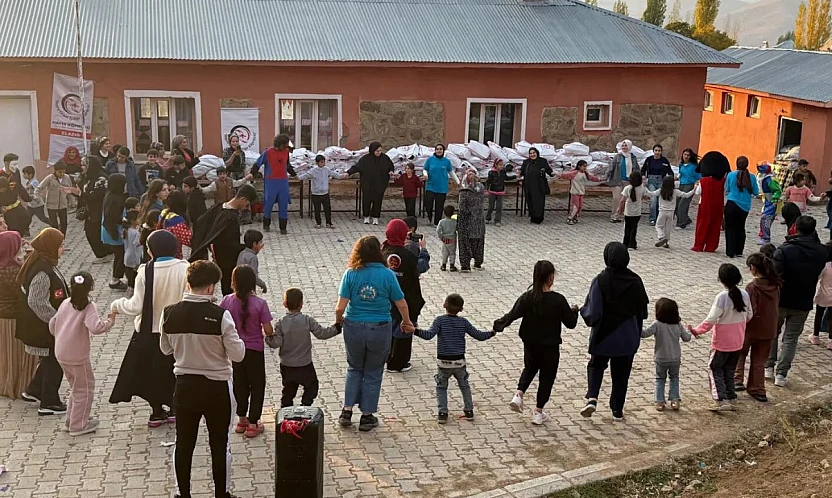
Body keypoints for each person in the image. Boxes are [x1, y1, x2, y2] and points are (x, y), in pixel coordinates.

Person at [160, 260, 244, 498]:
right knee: (220, 444)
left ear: (188, 284)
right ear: (210, 288)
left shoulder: (169, 313)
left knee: (184, 444)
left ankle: (182, 493)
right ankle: (222, 493)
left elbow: (165, 349)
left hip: (185, 386)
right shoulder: (221, 316)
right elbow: (237, 355)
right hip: (217, 388)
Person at [109, 230, 188, 426]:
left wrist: (117, 305)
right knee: (175, 372)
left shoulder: (146, 270)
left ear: (151, 250)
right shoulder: (185, 268)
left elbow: (136, 306)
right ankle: (175, 408)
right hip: (177, 331)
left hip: (151, 332)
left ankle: (156, 412)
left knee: (153, 374)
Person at [335, 236, 412, 432]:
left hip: (354, 325)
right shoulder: (388, 274)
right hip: (379, 327)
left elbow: (339, 307)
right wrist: (406, 320)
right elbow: (401, 302)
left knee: (354, 368)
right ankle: (367, 416)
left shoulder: (350, 273)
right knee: (373, 371)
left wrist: (339, 321)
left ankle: (346, 411)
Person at [494, 261, 579, 425]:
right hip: (550, 345)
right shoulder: (558, 300)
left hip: (530, 342)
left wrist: (499, 325)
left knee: (530, 367)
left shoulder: (528, 297)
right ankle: (538, 412)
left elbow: (512, 314)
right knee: (547, 377)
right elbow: (571, 323)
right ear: (550, 277)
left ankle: (519, 394)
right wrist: (574, 311)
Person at [579, 242, 649, 421]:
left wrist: (582, 311)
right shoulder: (636, 281)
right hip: (627, 338)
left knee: (596, 365)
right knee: (621, 373)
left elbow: (593, 312)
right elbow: (643, 311)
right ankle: (617, 408)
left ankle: (592, 397)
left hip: (604, 335)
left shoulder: (600, 280)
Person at [767, 216, 832, 387]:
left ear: (795, 228)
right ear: (814, 230)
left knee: (773, 334)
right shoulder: (821, 252)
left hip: (781, 300)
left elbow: (774, 275)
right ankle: (781, 374)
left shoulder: (784, 250)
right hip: (803, 301)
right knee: (791, 339)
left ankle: (768, 366)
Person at [50, 271, 117, 435]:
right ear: (91, 287)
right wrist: (110, 321)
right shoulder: (88, 306)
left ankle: (70, 420)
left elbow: (52, 324)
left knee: (75, 387)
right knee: (85, 389)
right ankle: (79, 424)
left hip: (61, 352)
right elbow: (96, 327)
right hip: (77, 355)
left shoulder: (65, 303)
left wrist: (60, 336)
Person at [415, 293, 495, 424]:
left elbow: (428, 335)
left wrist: (414, 330)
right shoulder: (463, 322)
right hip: (459, 362)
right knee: (464, 386)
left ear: (444, 305)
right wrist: (492, 333)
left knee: (441, 387)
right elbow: (479, 335)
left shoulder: (439, 321)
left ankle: (442, 413)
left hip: (443, 363)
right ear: (461, 309)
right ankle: (469, 410)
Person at [16, 228, 68, 415]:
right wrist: (55, 321)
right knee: (56, 361)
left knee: (49, 360)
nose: (63, 248)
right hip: (44, 328)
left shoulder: (45, 263)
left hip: (46, 326)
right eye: (60, 246)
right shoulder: (41, 270)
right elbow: (36, 301)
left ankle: (34, 390)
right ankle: (49, 402)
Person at [220, 265, 275, 438]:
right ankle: (253, 423)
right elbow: (268, 330)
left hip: (235, 350)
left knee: (240, 384)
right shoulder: (260, 303)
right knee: (257, 386)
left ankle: (242, 419)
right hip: (255, 350)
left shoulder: (227, 301)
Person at [689, 264, 753, 411]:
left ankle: (720, 399)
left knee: (714, 367)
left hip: (721, 343)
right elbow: (749, 315)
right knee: (729, 369)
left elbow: (711, 320)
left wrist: (696, 330)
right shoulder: (744, 294)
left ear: (721, 279)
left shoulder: (722, 297)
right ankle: (731, 397)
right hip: (738, 341)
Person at [268, 287, 340, 408]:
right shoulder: (307, 320)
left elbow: (276, 343)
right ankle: (305, 405)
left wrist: (267, 337)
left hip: (287, 365)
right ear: (301, 304)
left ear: (284, 304)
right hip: (305, 364)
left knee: (288, 390)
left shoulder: (280, 323)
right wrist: (337, 327)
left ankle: (286, 411)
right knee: (312, 386)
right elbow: (322, 334)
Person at [190, 184, 257, 295]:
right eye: (247, 204)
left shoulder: (219, 207)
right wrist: (249, 248)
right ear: (243, 199)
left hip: (217, 254)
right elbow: (231, 245)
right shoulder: (231, 218)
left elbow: (201, 222)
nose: (247, 207)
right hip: (226, 259)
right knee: (229, 288)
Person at [382, 219, 430, 373]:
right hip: (406, 297)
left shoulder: (383, 251)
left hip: (386, 299)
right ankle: (398, 362)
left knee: (389, 327)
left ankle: (388, 357)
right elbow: (422, 266)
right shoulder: (407, 254)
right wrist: (423, 250)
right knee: (404, 327)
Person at [736, 253, 781, 403]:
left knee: (740, 353)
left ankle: (737, 380)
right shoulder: (776, 285)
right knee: (759, 361)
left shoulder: (752, 287)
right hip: (769, 329)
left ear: (753, 268)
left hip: (752, 328)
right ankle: (758, 389)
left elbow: (750, 310)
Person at [0, 231, 37, 399]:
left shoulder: (6, 265)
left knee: (6, 356)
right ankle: (18, 385)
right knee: (16, 355)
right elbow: (24, 293)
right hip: (13, 318)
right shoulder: (11, 270)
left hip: (3, 317)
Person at [640, 298, 692, 411]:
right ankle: (674, 400)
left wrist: (636, 325)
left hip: (661, 357)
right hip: (675, 358)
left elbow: (644, 334)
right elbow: (686, 338)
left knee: (660, 379)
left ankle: (659, 402)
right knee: (674, 378)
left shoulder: (657, 324)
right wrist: (690, 330)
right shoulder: (678, 325)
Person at [253, 134, 297, 234]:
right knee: (268, 203)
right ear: (279, 144)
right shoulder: (268, 152)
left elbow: (287, 165)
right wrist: (252, 173)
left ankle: (283, 227)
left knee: (283, 204)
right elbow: (257, 163)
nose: (285, 147)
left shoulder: (286, 152)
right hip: (271, 182)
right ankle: (266, 224)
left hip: (283, 182)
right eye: (284, 145)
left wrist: (294, 174)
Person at [347, 142, 395, 226]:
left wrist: (391, 171)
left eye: (380, 151)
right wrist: (348, 173)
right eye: (377, 151)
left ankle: (375, 217)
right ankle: (366, 216)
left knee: (378, 200)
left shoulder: (385, 158)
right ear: (372, 150)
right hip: (367, 183)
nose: (379, 153)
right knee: (366, 199)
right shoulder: (365, 159)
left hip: (380, 183)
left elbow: (390, 166)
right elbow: (357, 167)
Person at [692, 151, 731, 253]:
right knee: (715, 225)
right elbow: (726, 191)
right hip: (718, 204)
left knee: (702, 224)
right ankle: (711, 246)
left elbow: (697, 192)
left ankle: (699, 245)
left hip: (704, 204)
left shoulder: (703, 181)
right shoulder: (723, 181)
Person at [723, 156, 759, 259]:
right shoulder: (752, 177)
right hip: (745, 206)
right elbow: (756, 192)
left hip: (732, 203)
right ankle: (739, 250)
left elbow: (727, 189)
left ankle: (730, 251)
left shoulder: (730, 175)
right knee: (740, 227)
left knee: (730, 228)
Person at [646, 175, 696, 248]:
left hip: (662, 211)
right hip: (671, 212)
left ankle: (661, 237)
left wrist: (645, 190)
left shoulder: (661, 190)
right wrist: (694, 190)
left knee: (658, 226)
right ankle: (667, 242)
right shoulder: (675, 191)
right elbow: (686, 195)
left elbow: (652, 194)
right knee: (668, 228)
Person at [298, 154, 343, 228]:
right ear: (317, 163)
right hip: (316, 193)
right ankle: (318, 223)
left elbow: (334, 174)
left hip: (325, 193)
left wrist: (342, 176)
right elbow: (305, 176)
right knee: (317, 209)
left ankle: (329, 222)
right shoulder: (313, 171)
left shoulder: (326, 169)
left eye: (323, 162)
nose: (323, 164)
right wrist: (298, 177)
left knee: (327, 209)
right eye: (321, 162)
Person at [80, 156, 112, 263]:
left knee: (95, 233)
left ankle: (105, 254)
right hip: (90, 211)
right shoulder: (87, 177)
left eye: (84, 165)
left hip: (99, 210)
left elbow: (95, 196)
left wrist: (78, 193)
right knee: (90, 232)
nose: (82, 167)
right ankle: (102, 254)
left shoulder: (101, 179)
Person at [102, 173, 129, 291]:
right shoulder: (115, 199)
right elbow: (111, 217)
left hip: (111, 230)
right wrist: (124, 221)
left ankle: (117, 278)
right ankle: (115, 280)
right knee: (121, 255)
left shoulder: (112, 195)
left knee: (119, 255)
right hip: (113, 231)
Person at [39, 161, 80, 235]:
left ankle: (62, 239)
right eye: (60, 172)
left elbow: (70, 190)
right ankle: (55, 240)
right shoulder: (50, 178)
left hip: (63, 205)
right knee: (54, 225)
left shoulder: (67, 178)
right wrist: (38, 197)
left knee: (64, 224)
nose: (62, 174)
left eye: (63, 172)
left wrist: (72, 202)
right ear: (55, 171)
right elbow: (40, 187)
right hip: (51, 205)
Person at [457, 170, 486, 272]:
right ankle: (477, 263)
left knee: (465, 243)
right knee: (478, 243)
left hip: (467, 221)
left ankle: (465, 265)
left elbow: (462, 208)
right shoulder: (481, 189)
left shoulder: (464, 192)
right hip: (479, 220)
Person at [423, 144, 458, 226]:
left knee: (439, 206)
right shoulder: (430, 160)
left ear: (443, 151)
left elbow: (451, 172)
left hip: (442, 187)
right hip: (431, 186)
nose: (439, 150)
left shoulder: (446, 161)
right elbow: (425, 169)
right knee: (428, 203)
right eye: (437, 149)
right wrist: (426, 175)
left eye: (440, 149)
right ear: (435, 150)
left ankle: (436, 222)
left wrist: (457, 180)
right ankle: (429, 217)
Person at [560, 160, 602, 225]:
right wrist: (558, 174)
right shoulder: (575, 173)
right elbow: (566, 175)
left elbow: (591, 178)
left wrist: (600, 179)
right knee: (575, 206)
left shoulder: (585, 174)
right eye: (583, 166)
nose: (585, 168)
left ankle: (575, 217)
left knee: (580, 206)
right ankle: (570, 218)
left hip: (581, 192)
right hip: (575, 192)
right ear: (579, 166)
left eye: (586, 166)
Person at [640, 144, 673, 226]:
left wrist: (671, 179)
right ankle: (652, 219)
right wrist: (643, 176)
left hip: (661, 181)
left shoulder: (664, 160)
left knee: (660, 200)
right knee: (653, 200)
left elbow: (670, 171)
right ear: (653, 151)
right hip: (651, 181)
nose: (657, 152)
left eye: (659, 151)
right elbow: (643, 170)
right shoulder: (649, 160)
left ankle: (659, 218)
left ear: (661, 152)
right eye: (656, 150)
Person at [0, 154, 32, 235]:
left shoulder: (16, 172)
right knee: (13, 229)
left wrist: (28, 198)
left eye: (17, 164)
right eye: (14, 164)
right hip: (6, 209)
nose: (16, 166)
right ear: (6, 163)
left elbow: (19, 186)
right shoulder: (1, 175)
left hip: (16, 204)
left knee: (26, 218)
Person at [520, 147, 554, 224]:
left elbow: (548, 170)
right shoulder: (526, 162)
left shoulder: (542, 161)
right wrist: (518, 174)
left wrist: (552, 173)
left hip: (539, 185)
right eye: (530, 153)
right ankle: (533, 217)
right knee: (530, 201)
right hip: (529, 185)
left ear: (537, 153)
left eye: (534, 153)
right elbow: (522, 171)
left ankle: (539, 217)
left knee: (539, 201)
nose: (532, 155)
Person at [608, 140, 639, 223]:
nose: (624, 147)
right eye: (623, 145)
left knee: (625, 199)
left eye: (626, 145)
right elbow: (611, 167)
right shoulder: (617, 157)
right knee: (617, 198)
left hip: (628, 181)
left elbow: (636, 169)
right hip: (617, 180)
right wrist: (606, 177)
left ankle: (622, 215)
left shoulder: (633, 157)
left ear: (629, 147)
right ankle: (614, 215)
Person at [158, 190, 191, 260]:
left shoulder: (162, 215)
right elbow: (188, 240)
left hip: (160, 254)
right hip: (175, 258)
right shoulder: (178, 222)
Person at [618, 170, 647, 250]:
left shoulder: (627, 188)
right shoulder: (642, 188)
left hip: (628, 212)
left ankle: (625, 243)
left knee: (627, 228)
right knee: (634, 228)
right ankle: (632, 244)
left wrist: (619, 209)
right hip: (637, 212)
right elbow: (644, 196)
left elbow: (622, 200)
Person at [810, 243, 832, 347]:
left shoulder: (825, 266)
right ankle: (831, 340)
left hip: (824, 294)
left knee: (819, 314)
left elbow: (817, 277)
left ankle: (815, 335)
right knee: (831, 317)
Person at [756, 163, 782, 245]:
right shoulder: (767, 178)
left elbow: (777, 191)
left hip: (772, 202)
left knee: (766, 218)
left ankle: (766, 238)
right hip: (768, 201)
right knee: (765, 218)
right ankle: (764, 235)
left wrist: (774, 200)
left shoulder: (770, 179)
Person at [675, 148, 701, 229]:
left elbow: (699, 176)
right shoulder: (681, 165)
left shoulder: (693, 167)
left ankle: (681, 223)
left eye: (688, 155)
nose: (686, 156)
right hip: (681, 185)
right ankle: (686, 219)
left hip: (689, 185)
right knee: (676, 204)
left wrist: (697, 184)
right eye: (684, 154)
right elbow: (680, 174)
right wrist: (677, 177)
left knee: (682, 205)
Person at [21, 165, 50, 232]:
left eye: (25, 174)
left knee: (42, 218)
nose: (23, 175)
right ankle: (26, 231)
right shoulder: (29, 181)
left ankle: (54, 224)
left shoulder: (34, 182)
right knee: (27, 218)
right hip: (31, 204)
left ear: (30, 174)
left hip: (38, 204)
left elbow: (29, 189)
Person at [123, 211, 142, 289]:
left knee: (129, 273)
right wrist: (137, 261)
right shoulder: (135, 233)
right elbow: (136, 246)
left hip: (127, 254)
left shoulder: (127, 230)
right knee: (133, 274)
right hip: (134, 257)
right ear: (132, 220)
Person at [437, 205, 458, 272]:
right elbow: (457, 229)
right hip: (452, 239)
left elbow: (438, 230)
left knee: (445, 252)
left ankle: (443, 265)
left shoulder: (442, 222)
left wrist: (441, 237)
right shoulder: (455, 221)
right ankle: (452, 265)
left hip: (445, 239)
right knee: (452, 253)